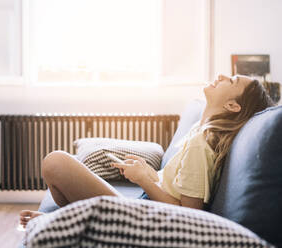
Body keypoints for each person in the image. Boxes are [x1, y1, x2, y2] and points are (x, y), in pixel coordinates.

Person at [20, 74, 274, 228]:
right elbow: (175, 185)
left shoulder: (201, 144)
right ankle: (62, 222)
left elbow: (189, 215)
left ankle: (59, 223)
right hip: (145, 204)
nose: (221, 76)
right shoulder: (199, 133)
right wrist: (149, 173)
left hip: (145, 216)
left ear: (231, 105)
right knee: (59, 178)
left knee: (56, 163)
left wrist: (143, 179)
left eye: (231, 80)